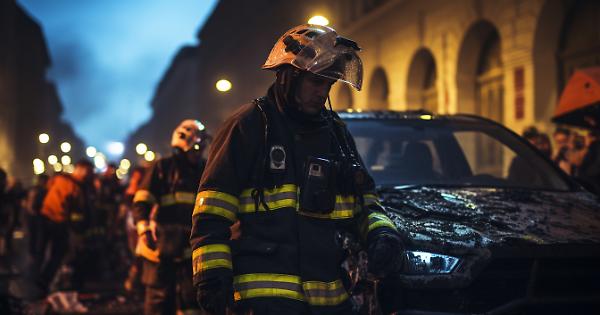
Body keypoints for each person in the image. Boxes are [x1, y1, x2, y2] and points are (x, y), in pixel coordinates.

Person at [190, 24, 404, 315]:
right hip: (264, 299)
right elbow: (211, 214)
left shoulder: (336, 133)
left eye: (329, 84)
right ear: (288, 77)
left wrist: (382, 235)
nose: (323, 92)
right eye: (316, 82)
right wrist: (211, 277)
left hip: (330, 301)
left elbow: (366, 200)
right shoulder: (249, 126)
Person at [133, 120, 209, 315]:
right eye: (196, 147)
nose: (199, 152)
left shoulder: (205, 170)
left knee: (192, 298)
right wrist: (144, 231)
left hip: (192, 244)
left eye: (201, 147)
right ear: (183, 145)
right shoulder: (162, 168)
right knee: (159, 297)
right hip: (162, 243)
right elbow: (142, 202)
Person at [37, 159, 95, 293]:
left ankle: (45, 279)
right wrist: (76, 226)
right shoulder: (70, 185)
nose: (90, 174)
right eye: (89, 171)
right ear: (81, 169)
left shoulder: (65, 182)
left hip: (50, 219)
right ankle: (46, 280)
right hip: (57, 221)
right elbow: (71, 208)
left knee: (53, 252)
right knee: (59, 252)